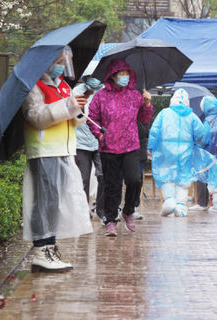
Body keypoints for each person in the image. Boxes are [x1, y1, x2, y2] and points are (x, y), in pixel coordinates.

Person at [21, 46, 93, 272]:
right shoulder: (34, 85)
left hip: (64, 149)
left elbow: (74, 119)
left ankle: (50, 246)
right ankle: (40, 249)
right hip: (45, 149)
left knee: (55, 201)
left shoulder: (63, 86)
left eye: (64, 62)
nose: (62, 66)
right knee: (44, 200)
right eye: (58, 61)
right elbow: (35, 116)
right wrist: (67, 106)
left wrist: (79, 108)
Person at [87, 58, 153, 237]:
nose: (124, 77)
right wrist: (99, 135)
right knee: (112, 185)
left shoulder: (135, 95)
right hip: (108, 148)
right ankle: (110, 220)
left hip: (130, 146)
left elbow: (144, 119)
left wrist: (147, 104)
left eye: (127, 74)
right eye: (121, 74)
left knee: (134, 180)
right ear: (112, 76)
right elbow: (91, 118)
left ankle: (128, 211)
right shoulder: (101, 96)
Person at [148, 88, 207, 217]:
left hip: (165, 150)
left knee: (166, 176)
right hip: (186, 152)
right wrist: (196, 141)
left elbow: (154, 131)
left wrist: (151, 147)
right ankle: (180, 206)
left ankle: (169, 201)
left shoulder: (164, 113)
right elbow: (201, 134)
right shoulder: (192, 116)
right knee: (184, 178)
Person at [72, 75, 104, 221]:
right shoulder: (76, 92)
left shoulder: (105, 91)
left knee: (103, 175)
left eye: (96, 76)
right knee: (83, 179)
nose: (93, 79)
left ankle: (101, 209)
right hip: (80, 143)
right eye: (90, 76)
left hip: (101, 141)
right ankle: (83, 210)